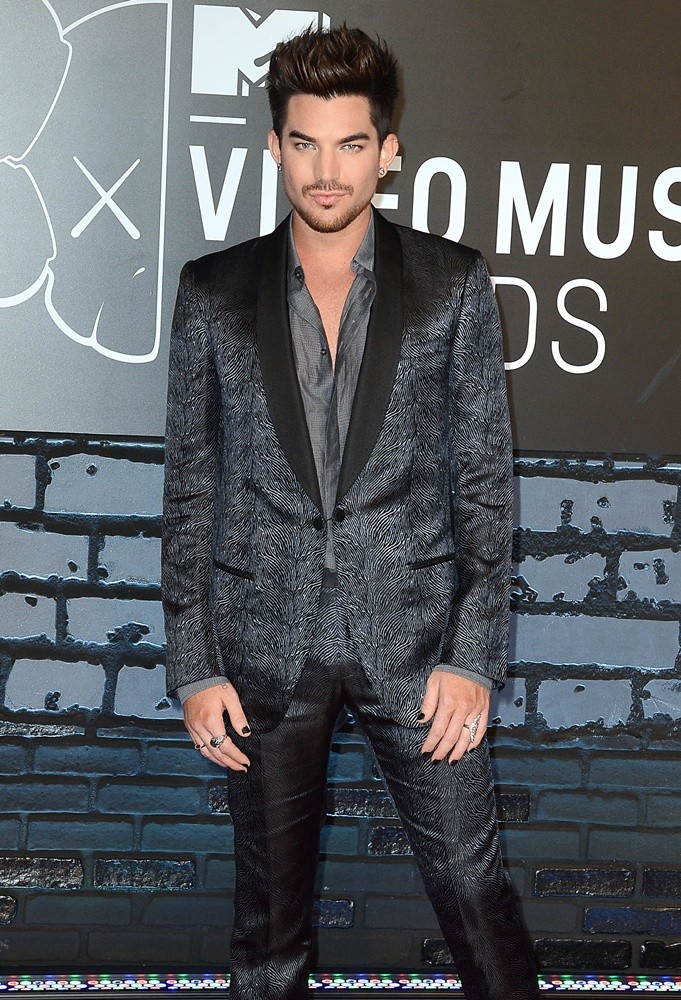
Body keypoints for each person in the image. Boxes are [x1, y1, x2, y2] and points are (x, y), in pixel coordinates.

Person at [162, 24, 540, 1000]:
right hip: (260, 641)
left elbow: (485, 485)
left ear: (389, 149)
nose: (326, 171)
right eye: (304, 143)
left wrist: (474, 652)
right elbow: (192, 489)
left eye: (350, 144)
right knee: (270, 921)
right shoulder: (211, 293)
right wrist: (195, 661)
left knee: (473, 886)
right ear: (274, 147)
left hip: (417, 642)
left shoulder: (452, 286)